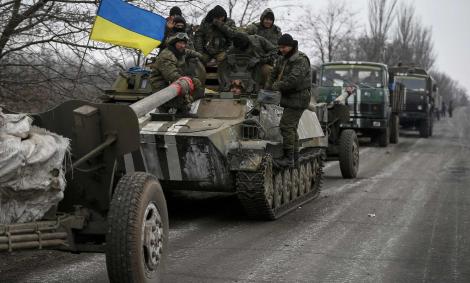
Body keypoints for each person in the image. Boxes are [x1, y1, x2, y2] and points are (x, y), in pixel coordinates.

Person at [265, 34, 312, 167]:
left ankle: (288, 159)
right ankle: (295, 159)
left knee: (286, 126)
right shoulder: (282, 58)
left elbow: (293, 80)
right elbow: (273, 74)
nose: (282, 50)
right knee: (292, 128)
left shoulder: (300, 60)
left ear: (291, 46)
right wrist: (267, 88)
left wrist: (276, 86)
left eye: (284, 47)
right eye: (280, 47)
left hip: (298, 98)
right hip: (288, 98)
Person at [149, 33, 204, 114]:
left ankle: (182, 102)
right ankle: (165, 104)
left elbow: (188, 52)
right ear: (174, 44)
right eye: (180, 43)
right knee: (185, 104)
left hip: (173, 82)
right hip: (162, 87)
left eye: (184, 43)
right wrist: (188, 81)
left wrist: (200, 56)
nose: (183, 46)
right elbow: (172, 76)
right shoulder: (167, 55)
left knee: (198, 87)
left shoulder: (179, 51)